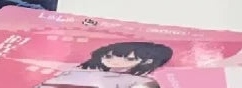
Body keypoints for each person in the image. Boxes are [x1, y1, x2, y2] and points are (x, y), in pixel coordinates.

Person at [40, 42, 174, 88]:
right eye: (108, 56)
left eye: (128, 59)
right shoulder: (79, 70)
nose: (114, 61)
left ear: (147, 61)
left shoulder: (140, 81)